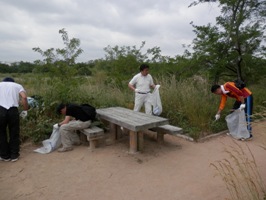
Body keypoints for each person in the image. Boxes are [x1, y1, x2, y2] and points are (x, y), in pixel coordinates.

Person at [0, 77, 29, 162]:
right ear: (13, 82)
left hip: (1, 110)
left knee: (1, 133)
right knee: (14, 132)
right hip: (13, 110)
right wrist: (25, 109)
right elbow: (24, 97)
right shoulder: (18, 86)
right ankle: (14, 155)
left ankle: (4, 155)